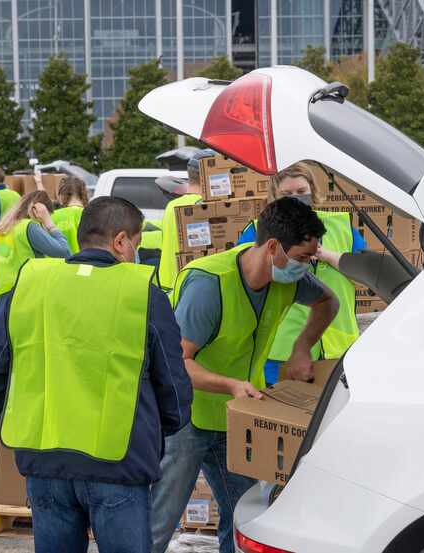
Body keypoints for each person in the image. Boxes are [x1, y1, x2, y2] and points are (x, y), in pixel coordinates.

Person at [0, 197, 193, 553]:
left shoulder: (31, 284)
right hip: (120, 460)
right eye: (135, 243)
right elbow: (173, 383)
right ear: (121, 241)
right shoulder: (142, 294)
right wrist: (162, 427)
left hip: (45, 460)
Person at [151, 197, 339, 553]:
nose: (306, 267)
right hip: (187, 419)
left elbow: (328, 302)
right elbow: (178, 363)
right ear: (272, 248)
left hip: (236, 419)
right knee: (160, 520)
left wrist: (302, 348)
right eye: (301, 258)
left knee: (245, 517)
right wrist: (231, 385)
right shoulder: (209, 285)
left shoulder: (289, 280)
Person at [238, 163, 363, 384]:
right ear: (274, 197)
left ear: (313, 191)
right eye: (287, 194)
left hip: (337, 348)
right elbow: (246, 278)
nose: (295, 198)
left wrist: (328, 255)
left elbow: (366, 273)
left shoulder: (341, 226)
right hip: (282, 348)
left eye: (301, 192)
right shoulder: (258, 230)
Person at [0, 190, 70, 313]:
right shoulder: (29, 227)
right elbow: (64, 252)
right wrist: (50, 224)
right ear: (37, 210)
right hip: (25, 296)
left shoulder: (0, 232)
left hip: (2, 297)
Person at [157, 149, 213, 292]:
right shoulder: (204, 207)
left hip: (167, 286)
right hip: (190, 288)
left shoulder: (172, 206)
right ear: (210, 174)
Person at [50, 176, 88, 254]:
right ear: (84, 194)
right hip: (87, 264)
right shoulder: (93, 215)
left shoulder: (52, 217)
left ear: (62, 195)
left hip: (61, 264)